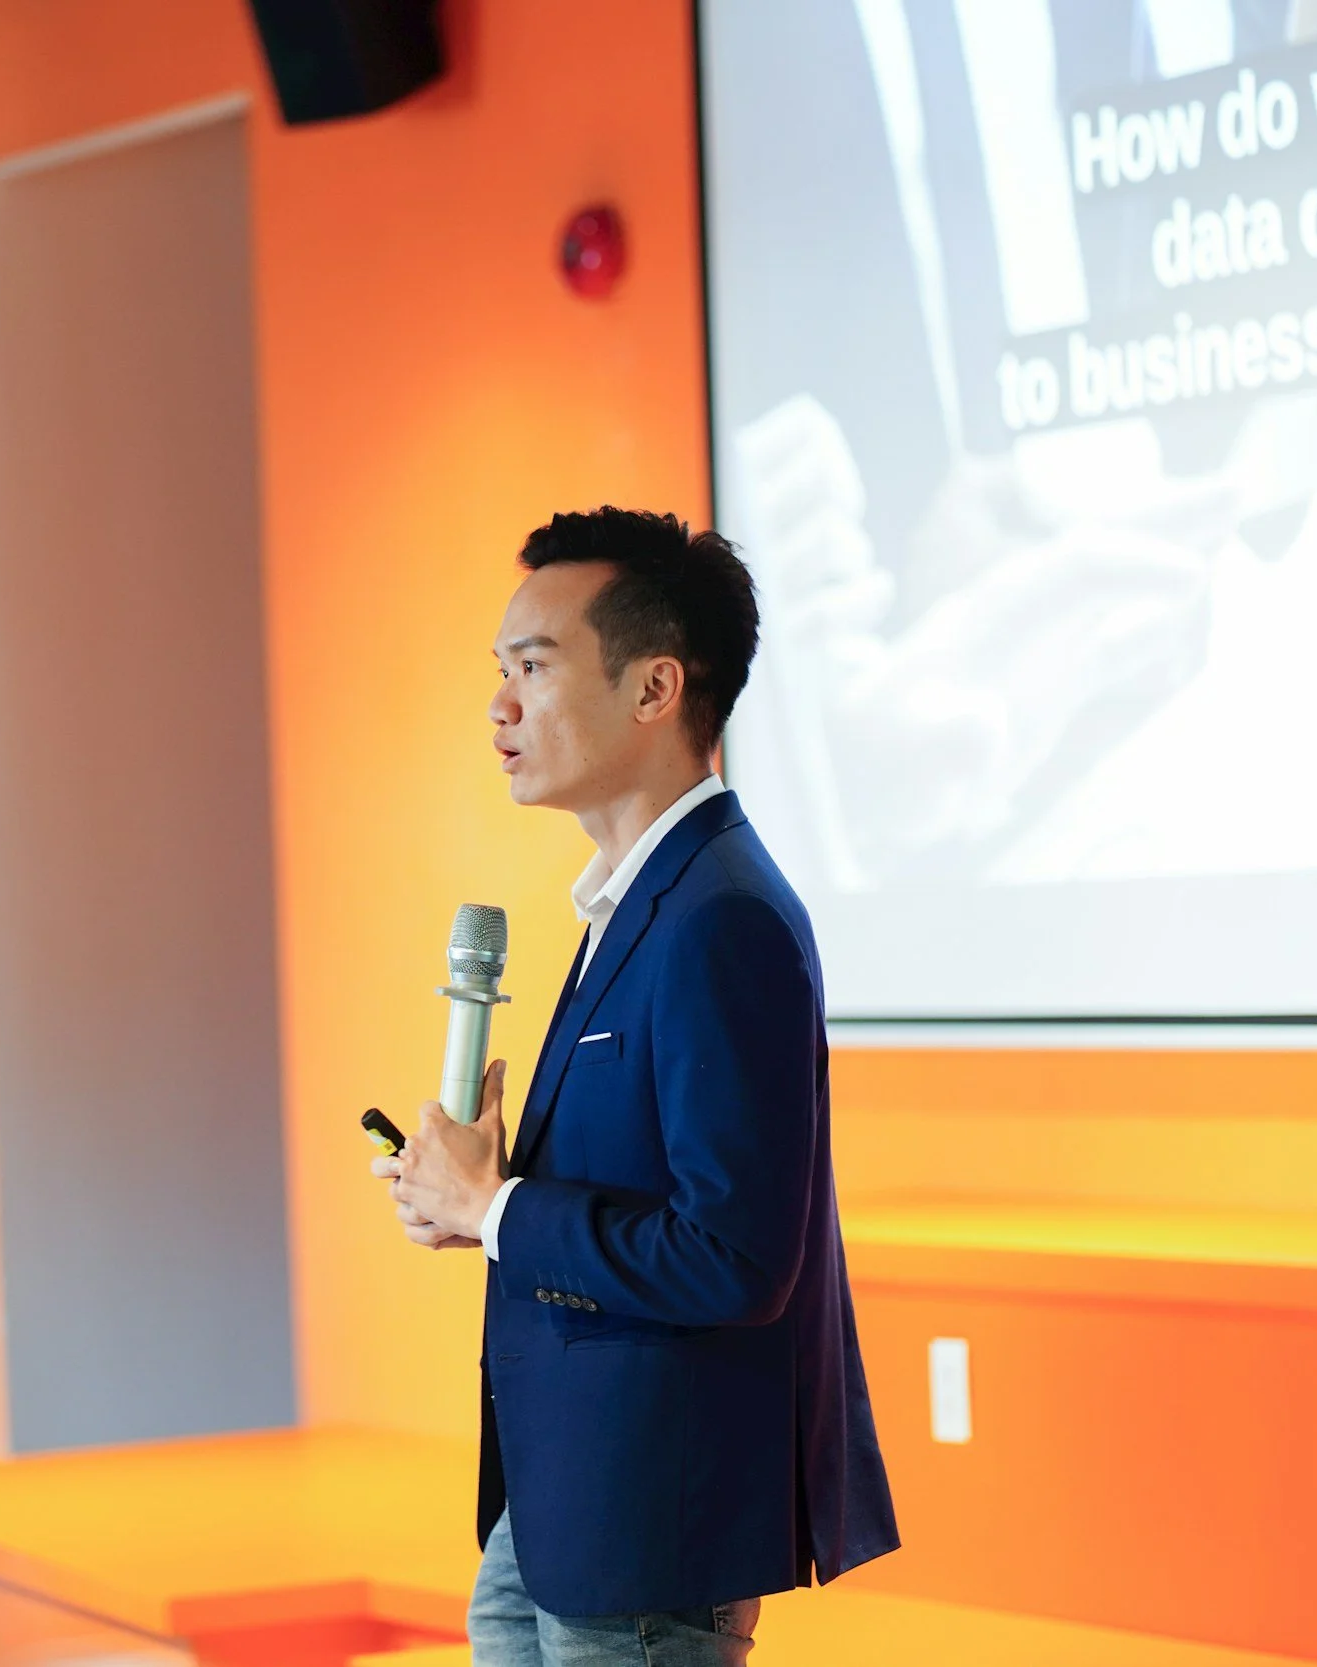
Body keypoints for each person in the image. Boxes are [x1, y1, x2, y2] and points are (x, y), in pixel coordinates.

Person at [373, 508, 899, 1665]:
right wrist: (480, 1193)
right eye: (498, 672)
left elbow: (735, 1257)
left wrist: (499, 1210)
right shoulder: (636, 899)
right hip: (562, 1501)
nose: (499, 706)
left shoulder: (723, 918)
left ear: (656, 685)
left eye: (533, 667)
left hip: (648, 1529)